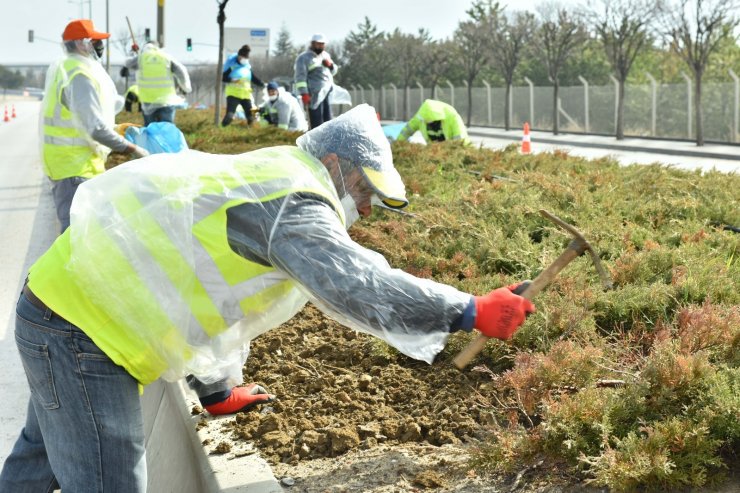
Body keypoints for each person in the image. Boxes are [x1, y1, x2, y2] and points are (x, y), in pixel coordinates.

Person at [0, 103, 534, 492]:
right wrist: (467, 310)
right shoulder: (294, 204)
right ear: (335, 162)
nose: (366, 208)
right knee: (110, 481)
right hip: (83, 333)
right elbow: (358, 283)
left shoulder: (276, 174)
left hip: (64, 307)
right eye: (367, 190)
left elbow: (203, 291)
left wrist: (215, 389)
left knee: (38, 458)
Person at [40, 19, 149, 233]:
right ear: (82, 44)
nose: (100, 46)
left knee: (85, 235)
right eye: (96, 41)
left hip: (67, 164)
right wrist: (131, 148)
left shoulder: (66, 68)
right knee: (76, 238)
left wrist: (116, 128)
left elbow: (77, 120)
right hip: (75, 167)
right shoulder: (80, 74)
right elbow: (94, 128)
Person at [126, 40, 192, 125]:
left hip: (148, 101)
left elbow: (128, 64)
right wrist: (186, 87)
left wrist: (134, 53)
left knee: (150, 129)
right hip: (167, 100)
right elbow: (181, 71)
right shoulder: (166, 57)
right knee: (167, 129)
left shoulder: (141, 58)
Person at [294, 33, 338, 129]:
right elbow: (300, 78)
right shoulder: (303, 58)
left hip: (327, 93)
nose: (320, 46)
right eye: (318, 44)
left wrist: (330, 65)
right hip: (313, 95)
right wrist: (304, 93)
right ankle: (316, 143)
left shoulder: (326, 56)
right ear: (313, 44)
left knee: (328, 120)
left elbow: (334, 71)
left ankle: (328, 142)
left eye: (322, 44)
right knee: (316, 121)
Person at [221, 44, 265, 127]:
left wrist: (261, 84)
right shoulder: (232, 66)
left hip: (245, 95)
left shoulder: (247, 67)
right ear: (239, 57)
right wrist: (232, 80)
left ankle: (250, 132)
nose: (244, 60)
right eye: (242, 58)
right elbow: (223, 78)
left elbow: (253, 78)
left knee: (251, 117)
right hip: (233, 94)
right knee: (229, 116)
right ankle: (222, 128)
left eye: (246, 58)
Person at [397, 99, 470, 145]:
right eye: (427, 122)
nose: (430, 124)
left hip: (453, 149)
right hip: (435, 151)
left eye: (432, 122)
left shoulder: (451, 115)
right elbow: (407, 131)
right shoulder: (420, 117)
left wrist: (456, 152)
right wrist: (397, 144)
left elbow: (460, 137)